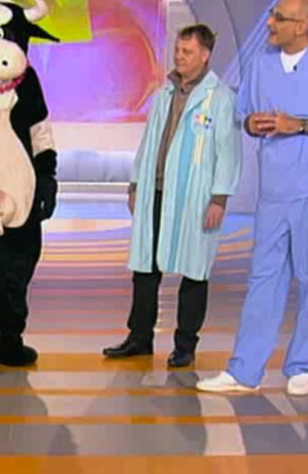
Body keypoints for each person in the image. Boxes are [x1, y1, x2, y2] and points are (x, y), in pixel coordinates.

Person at [197, 0, 308, 395]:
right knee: (263, 276)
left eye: (279, 18)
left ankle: (302, 366)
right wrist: (253, 125)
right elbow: (245, 117)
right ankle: (245, 371)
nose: (270, 23)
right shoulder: (261, 64)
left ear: (302, 26)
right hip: (275, 187)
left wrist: (301, 124)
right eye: (272, 15)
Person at [102, 24, 242, 367]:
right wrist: (135, 184)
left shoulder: (220, 98)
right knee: (145, 269)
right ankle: (139, 337)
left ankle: (185, 345)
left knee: (194, 271)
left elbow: (228, 152)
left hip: (195, 197)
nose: (179, 57)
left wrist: (219, 198)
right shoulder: (163, 93)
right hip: (156, 191)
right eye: (178, 50)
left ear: (205, 55)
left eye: (187, 52)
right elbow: (148, 142)